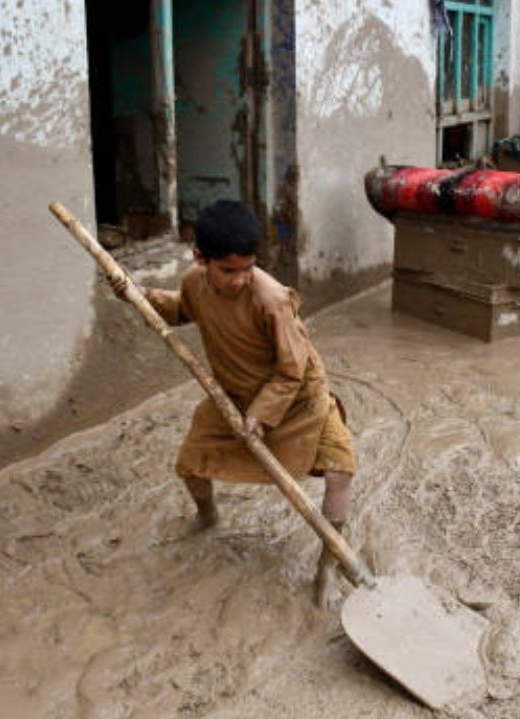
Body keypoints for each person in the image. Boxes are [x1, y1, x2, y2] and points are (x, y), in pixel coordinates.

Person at [111, 200, 357, 596]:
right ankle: (207, 517)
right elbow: (179, 310)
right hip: (237, 398)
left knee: (340, 472)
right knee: (191, 464)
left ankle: (328, 567)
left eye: (248, 268)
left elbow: (291, 370)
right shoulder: (194, 283)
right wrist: (139, 295)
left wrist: (261, 415)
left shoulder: (271, 299)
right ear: (200, 258)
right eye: (228, 271)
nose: (240, 279)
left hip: (298, 401)